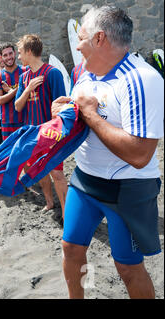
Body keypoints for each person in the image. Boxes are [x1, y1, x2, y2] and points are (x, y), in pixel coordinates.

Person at [53, 6, 164, 299]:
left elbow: (140, 155)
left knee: (127, 267)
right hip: (85, 180)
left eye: (82, 37)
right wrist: (65, 113)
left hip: (127, 188)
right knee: (71, 249)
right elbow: (81, 117)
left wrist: (89, 114)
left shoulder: (142, 79)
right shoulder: (83, 73)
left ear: (99, 38)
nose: (76, 45)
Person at [14, 34, 68, 220]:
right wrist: (28, 89)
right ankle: (49, 203)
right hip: (32, 133)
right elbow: (17, 106)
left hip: (51, 133)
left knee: (57, 173)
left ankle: (66, 211)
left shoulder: (52, 73)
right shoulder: (24, 77)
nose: (18, 57)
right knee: (39, 170)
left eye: (20, 52)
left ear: (29, 51)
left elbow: (61, 106)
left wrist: (56, 134)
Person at [0, 43, 27, 141]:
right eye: (5, 55)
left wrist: (9, 91)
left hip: (26, 119)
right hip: (8, 123)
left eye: (10, 53)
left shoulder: (26, 70)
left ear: (15, 53)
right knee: (10, 154)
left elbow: (28, 93)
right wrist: (16, 90)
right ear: (1, 57)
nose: (9, 57)